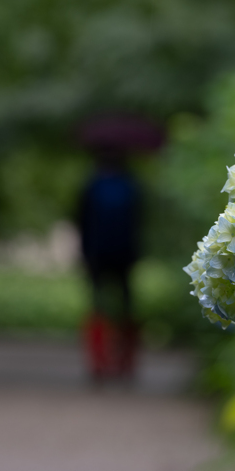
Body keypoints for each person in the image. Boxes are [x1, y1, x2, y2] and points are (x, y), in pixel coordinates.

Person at [76, 149, 141, 379]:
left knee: (97, 305)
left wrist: (83, 253)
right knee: (126, 305)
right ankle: (126, 362)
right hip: (125, 254)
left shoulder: (91, 185)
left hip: (96, 254)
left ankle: (98, 362)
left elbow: (81, 221)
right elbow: (139, 222)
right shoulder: (131, 185)